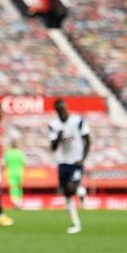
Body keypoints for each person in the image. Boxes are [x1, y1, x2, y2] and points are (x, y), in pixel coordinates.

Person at [49, 98, 91, 234]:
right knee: (66, 194)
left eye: (64, 108)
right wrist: (58, 138)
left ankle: (80, 191)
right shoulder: (54, 125)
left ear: (66, 108)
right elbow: (53, 147)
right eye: (59, 109)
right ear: (57, 111)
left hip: (76, 162)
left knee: (70, 188)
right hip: (62, 162)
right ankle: (75, 223)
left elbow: (88, 140)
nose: (63, 111)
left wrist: (83, 158)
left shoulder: (77, 121)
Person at [4, 138, 26, 209]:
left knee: (13, 188)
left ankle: (15, 202)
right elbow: (24, 163)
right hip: (19, 172)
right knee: (19, 187)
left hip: (11, 172)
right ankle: (20, 202)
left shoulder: (8, 153)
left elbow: (5, 163)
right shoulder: (20, 153)